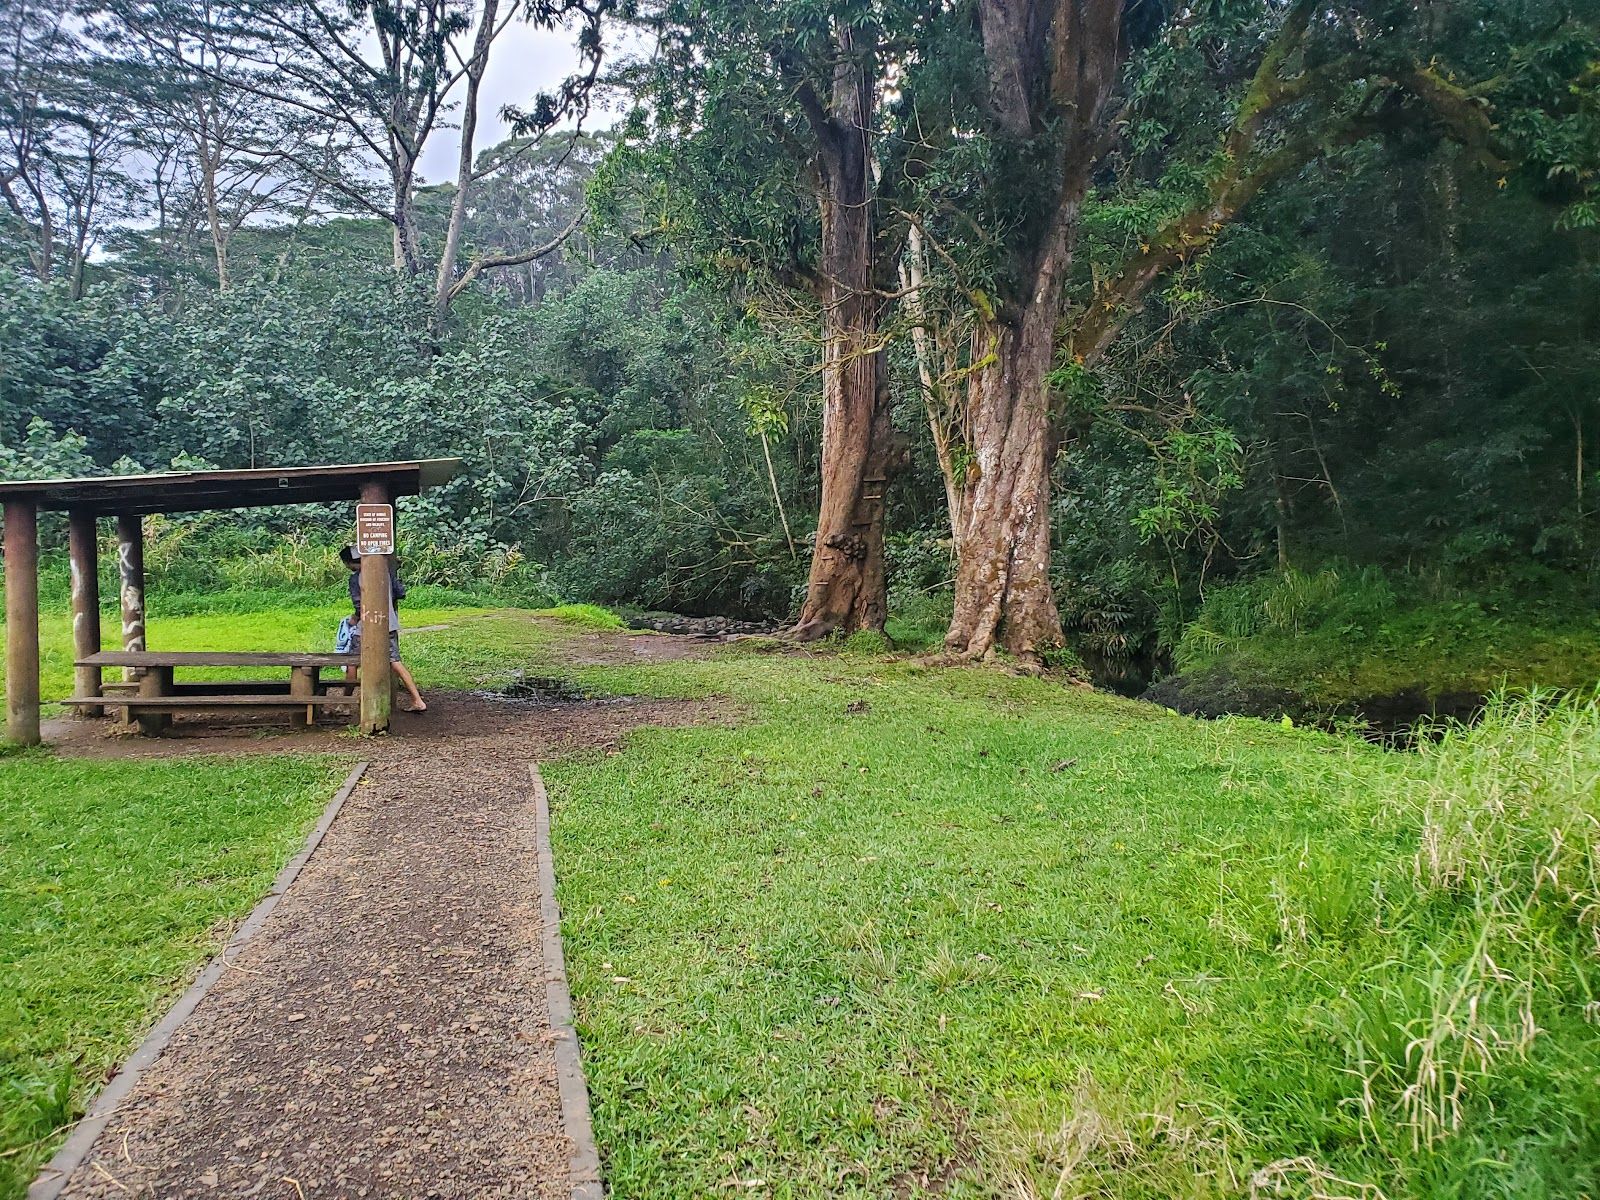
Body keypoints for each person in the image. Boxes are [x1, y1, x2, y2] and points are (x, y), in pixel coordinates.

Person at [339, 545, 427, 713]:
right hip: (389, 624)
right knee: (395, 662)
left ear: (349, 563)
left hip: (365, 627)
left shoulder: (355, 578)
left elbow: (359, 606)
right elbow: (400, 592)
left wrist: (353, 619)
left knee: (351, 663)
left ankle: (345, 703)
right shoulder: (385, 572)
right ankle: (417, 699)